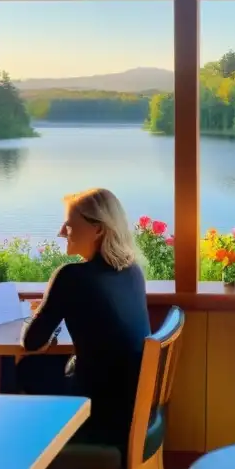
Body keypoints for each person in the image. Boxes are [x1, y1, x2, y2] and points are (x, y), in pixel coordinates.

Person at [20, 188, 151, 455]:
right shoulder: (132, 271)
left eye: (69, 225)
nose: (61, 232)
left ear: (98, 229)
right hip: (131, 404)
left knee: (24, 369)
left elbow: (32, 341)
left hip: (99, 410)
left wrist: (43, 310)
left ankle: (34, 465)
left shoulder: (72, 276)